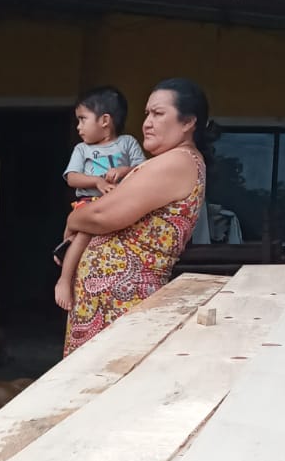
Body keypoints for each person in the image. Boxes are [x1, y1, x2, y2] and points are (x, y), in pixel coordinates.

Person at [62, 78, 212, 354]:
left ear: (188, 122)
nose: (147, 123)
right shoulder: (175, 161)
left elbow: (102, 215)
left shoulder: (177, 161)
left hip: (122, 307)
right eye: (147, 114)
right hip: (113, 306)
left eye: (158, 113)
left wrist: (73, 220)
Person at [55, 86, 147, 311]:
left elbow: (143, 169)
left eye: (83, 119)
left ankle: (66, 246)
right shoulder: (82, 149)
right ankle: (64, 280)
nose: (78, 127)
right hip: (88, 203)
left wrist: (124, 170)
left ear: (105, 121)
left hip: (117, 204)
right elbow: (72, 178)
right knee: (84, 233)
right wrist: (97, 182)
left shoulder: (127, 143)